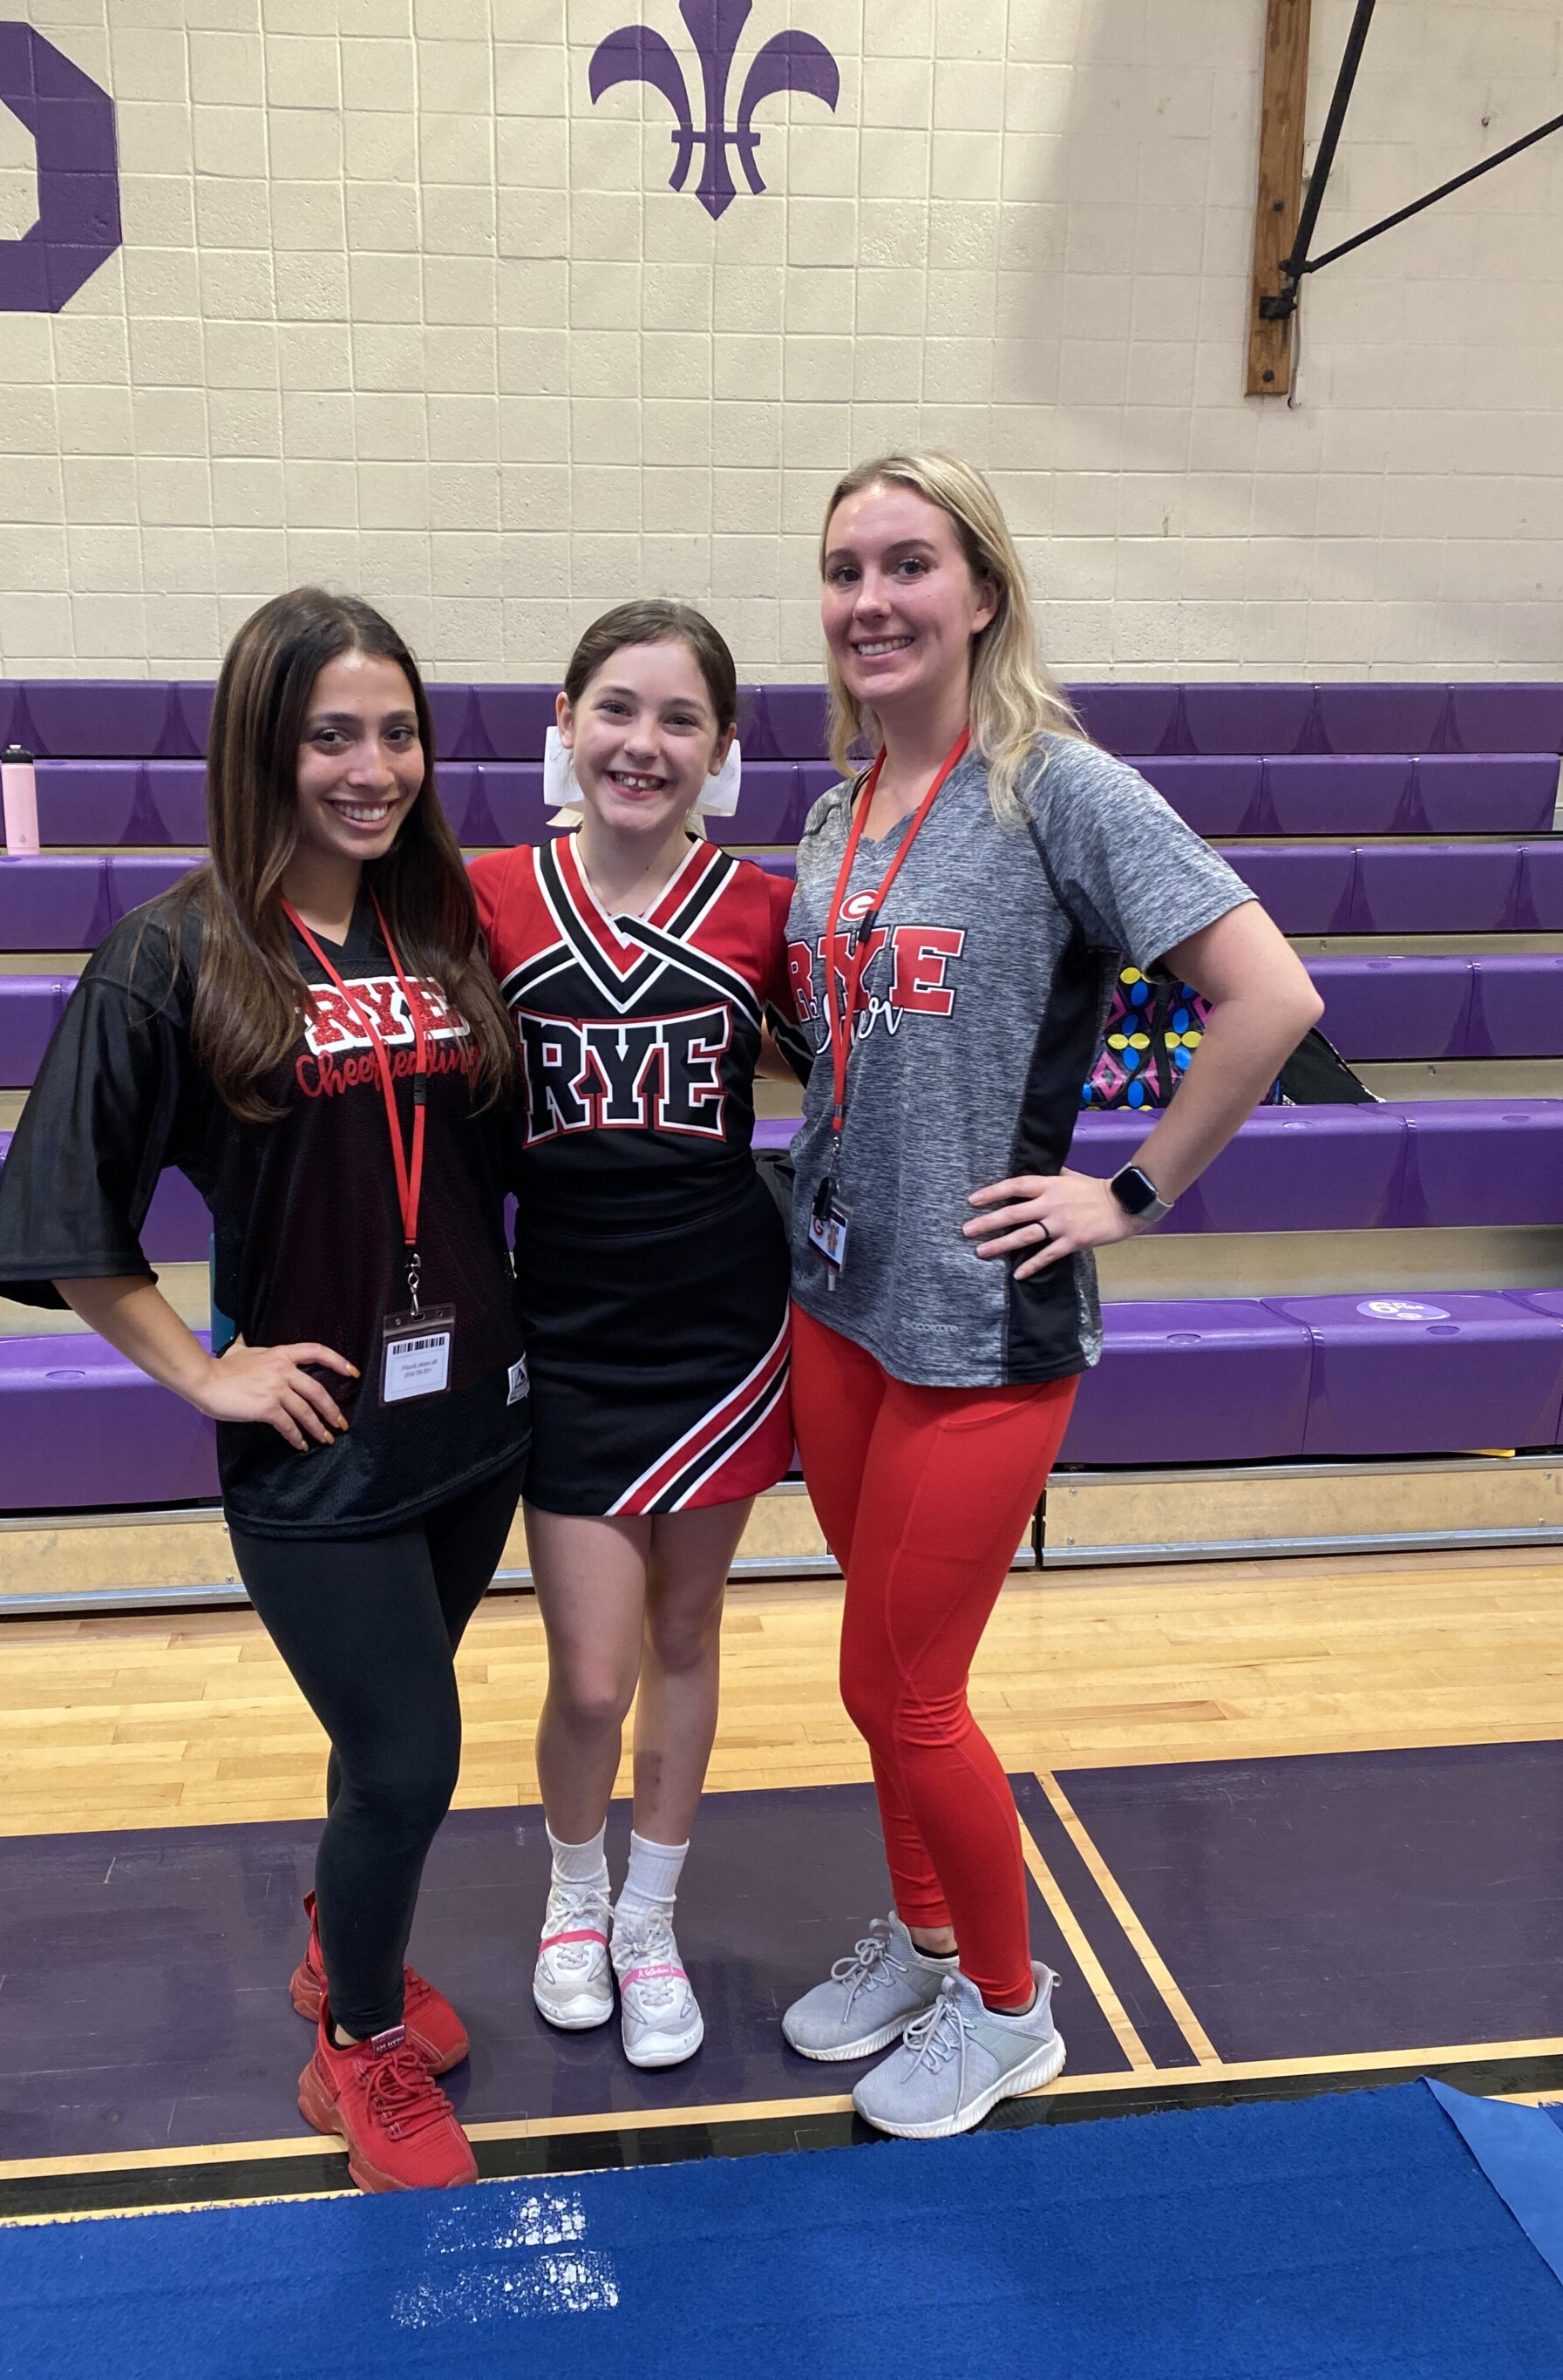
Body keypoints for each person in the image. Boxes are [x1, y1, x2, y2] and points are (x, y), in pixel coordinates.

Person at [776, 455, 1323, 2137]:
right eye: (846, 568)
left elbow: (1270, 996)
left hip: (985, 1326)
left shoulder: (1057, 788)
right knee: (874, 1669)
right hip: (839, 1303)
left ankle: (1011, 2012)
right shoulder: (835, 805)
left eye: (909, 565)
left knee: (909, 1685)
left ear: (983, 592)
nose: (873, 599)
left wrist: (1129, 1191)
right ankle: (929, 1937)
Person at [0, 588, 530, 2194]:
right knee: (415, 1759)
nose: (375, 768)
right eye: (332, 736)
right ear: (264, 749)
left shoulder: (441, 936)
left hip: (474, 1420)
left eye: (399, 732)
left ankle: (331, 1948)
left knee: (382, 1748)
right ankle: (356, 2043)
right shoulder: (173, 953)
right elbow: (67, 1211)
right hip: (320, 1446)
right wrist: (205, 1373)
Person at [471, 601, 807, 2068]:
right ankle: (571, 1889)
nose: (643, 744)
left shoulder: (765, 910)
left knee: (685, 1633)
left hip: (723, 1330)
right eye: (617, 709)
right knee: (591, 1671)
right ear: (564, 719)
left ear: (723, 748)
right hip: (570, 1328)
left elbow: (866, 1077)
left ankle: (651, 1912)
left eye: (680, 720)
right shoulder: (484, 895)